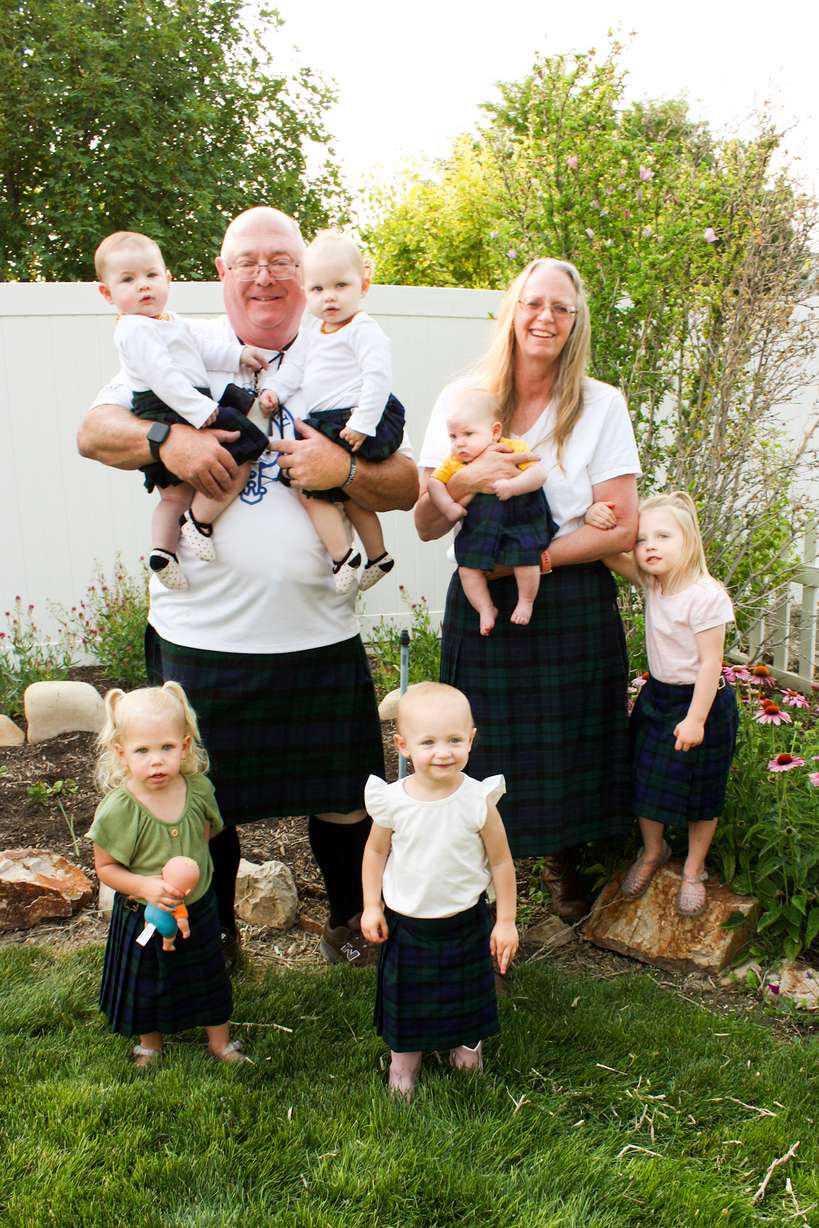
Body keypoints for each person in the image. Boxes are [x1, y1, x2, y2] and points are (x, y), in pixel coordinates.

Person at [77, 206, 419, 971]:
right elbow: (94, 431)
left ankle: (346, 924)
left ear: (307, 274)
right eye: (246, 262)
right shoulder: (178, 341)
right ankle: (217, 933)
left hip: (319, 632)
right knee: (204, 804)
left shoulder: (340, 348)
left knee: (342, 796)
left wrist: (344, 469)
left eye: (282, 261)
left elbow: (405, 484)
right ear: (221, 273)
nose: (264, 276)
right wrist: (170, 438)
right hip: (203, 635)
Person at [415, 257, 641, 922]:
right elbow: (426, 523)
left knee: (568, 737)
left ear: (576, 322)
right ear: (512, 311)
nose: (545, 317)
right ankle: (478, 863)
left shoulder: (600, 405)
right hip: (481, 597)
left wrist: (532, 559)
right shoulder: (463, 401)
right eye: (533, 303)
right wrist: (464, 478)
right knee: (478, 736)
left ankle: (563, 858)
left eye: (561, 308)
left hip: (565, 593)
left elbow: (623, 523)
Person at [361, 682, 518, 1099]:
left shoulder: (477, 799)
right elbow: (375, 852)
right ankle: (404, 1063)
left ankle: (467, 1049)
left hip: (465, 921)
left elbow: (501, 862)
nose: (443, 752)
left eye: (454, 740)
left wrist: (505, 920)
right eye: (428, 742)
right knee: (408, 999)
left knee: (467, 994)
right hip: (408, 925)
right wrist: (371, 905)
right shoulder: (393, 801)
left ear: (471, 739)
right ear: (403, 746)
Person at [95, 231, 270, 591]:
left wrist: (238, 355)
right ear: (107, 293)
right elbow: (164, 378)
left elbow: (202, 349)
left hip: (184, 405)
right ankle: (197, 523)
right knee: (247, 446)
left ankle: (163, 552)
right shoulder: (133, 329)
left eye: (151, 275)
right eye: (128, 279)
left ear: (168, 279)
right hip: (171, 408)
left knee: (174, 494)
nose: (143, 285)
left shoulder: (169, 321)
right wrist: (200, 411)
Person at [87, 683, 247, 1066]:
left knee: (209, 975)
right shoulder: (120, 809)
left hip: (198, 909)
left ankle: (220, 1042)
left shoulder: (198, 791)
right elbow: (105, 867)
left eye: (166, 747)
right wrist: (144, 885)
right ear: (121, 753)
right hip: (143, 915)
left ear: (185, 746)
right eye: (142, 750)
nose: (156, 761)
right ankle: (151, 1044)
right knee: (146, 981)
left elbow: (205, 836)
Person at [601, 492, 738, 916]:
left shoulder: (705, 596)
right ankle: (653, 851)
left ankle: (694, 870)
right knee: (646, 780)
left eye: (663, 536)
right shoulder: (653, 583)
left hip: (703, 703)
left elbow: (711, 663)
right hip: (658, 699)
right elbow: (607, 552)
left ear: (689, 541)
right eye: (642, 539)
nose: (650, 546)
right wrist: (599, 518)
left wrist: (696, 720)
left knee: (703, 790)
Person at [259, 231, 403, 594]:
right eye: (318, 289)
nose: (330, 297)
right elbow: (294, 368)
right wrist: (275, 390)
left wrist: (362, 423)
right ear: (305, 291)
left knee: (307, 486)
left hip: (358, 418)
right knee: (347, 492)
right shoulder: (312, 333)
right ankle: (377, 555)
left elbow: (378, 378)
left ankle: (343, 557)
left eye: (341, 285)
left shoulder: (363, 330)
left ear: (364, 285)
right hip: (329, 422)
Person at [427, 386, 556, 635]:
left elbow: (539, 474)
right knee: (467, 567)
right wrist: (449, 506)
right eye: (453, 436)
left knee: (526, 558)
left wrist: (514, 485)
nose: (459, 442)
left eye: (468, 434)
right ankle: (486, 608)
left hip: (519, 519)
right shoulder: (454, 462)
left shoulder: (512, 448)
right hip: (481, 527)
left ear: (495, 431)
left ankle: (526, 601)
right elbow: (434, 484)